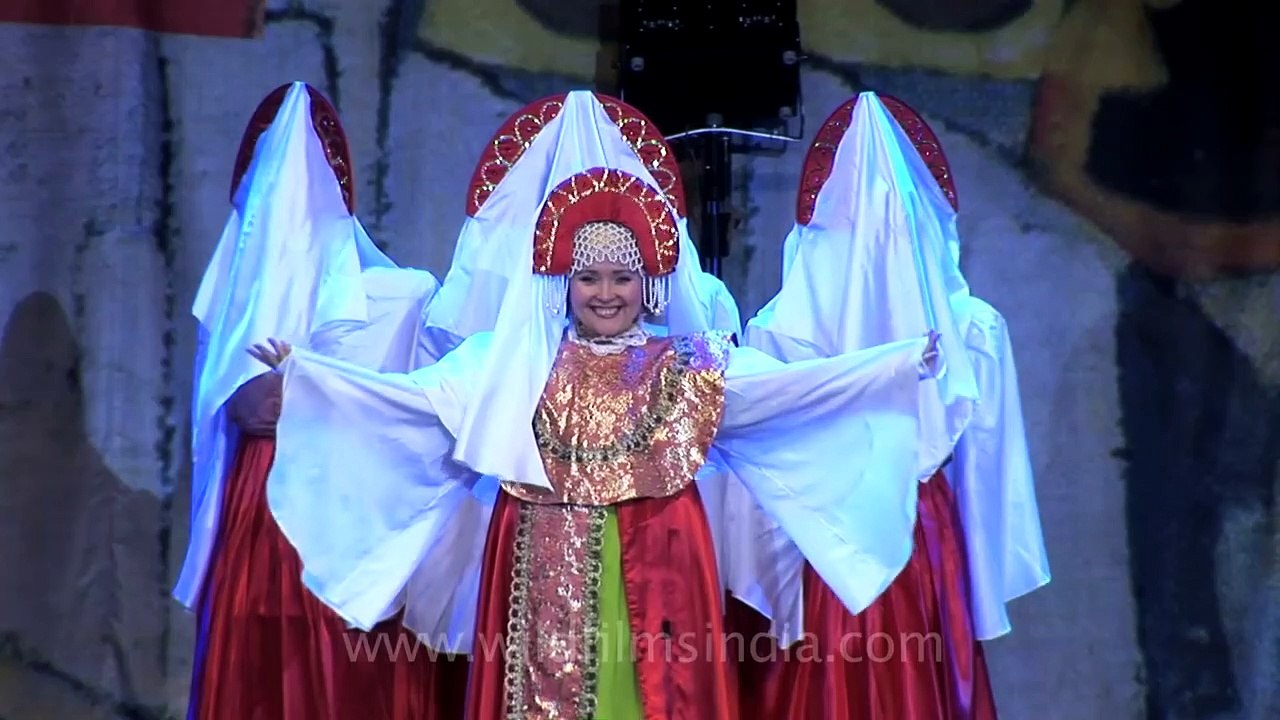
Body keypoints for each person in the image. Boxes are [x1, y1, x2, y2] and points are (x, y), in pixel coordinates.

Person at [250, 97, 943, 717]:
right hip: (537, 556)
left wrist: (892, 366)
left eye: (621, 277)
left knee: (653, 693)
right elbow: (410, 401)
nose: (605, 293)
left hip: (662, 559)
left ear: (648, 283)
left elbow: (791, 390)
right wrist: (312, 376)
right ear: (564, 281)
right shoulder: (512, 363)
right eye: (588, 277)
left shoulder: (689, 363)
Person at [729, 91, 1050, 719]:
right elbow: (989, 472)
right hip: (882, 538)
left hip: (845, 537)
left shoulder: (782, 326)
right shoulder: (969, 326)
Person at [175, 82, 465, 720]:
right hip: (263, 500)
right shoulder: (235, 297)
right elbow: (242, 407)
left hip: (342, 501)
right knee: (267, 650)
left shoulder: (396, 296)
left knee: (337, 659)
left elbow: (425, 402)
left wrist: (311, 392)